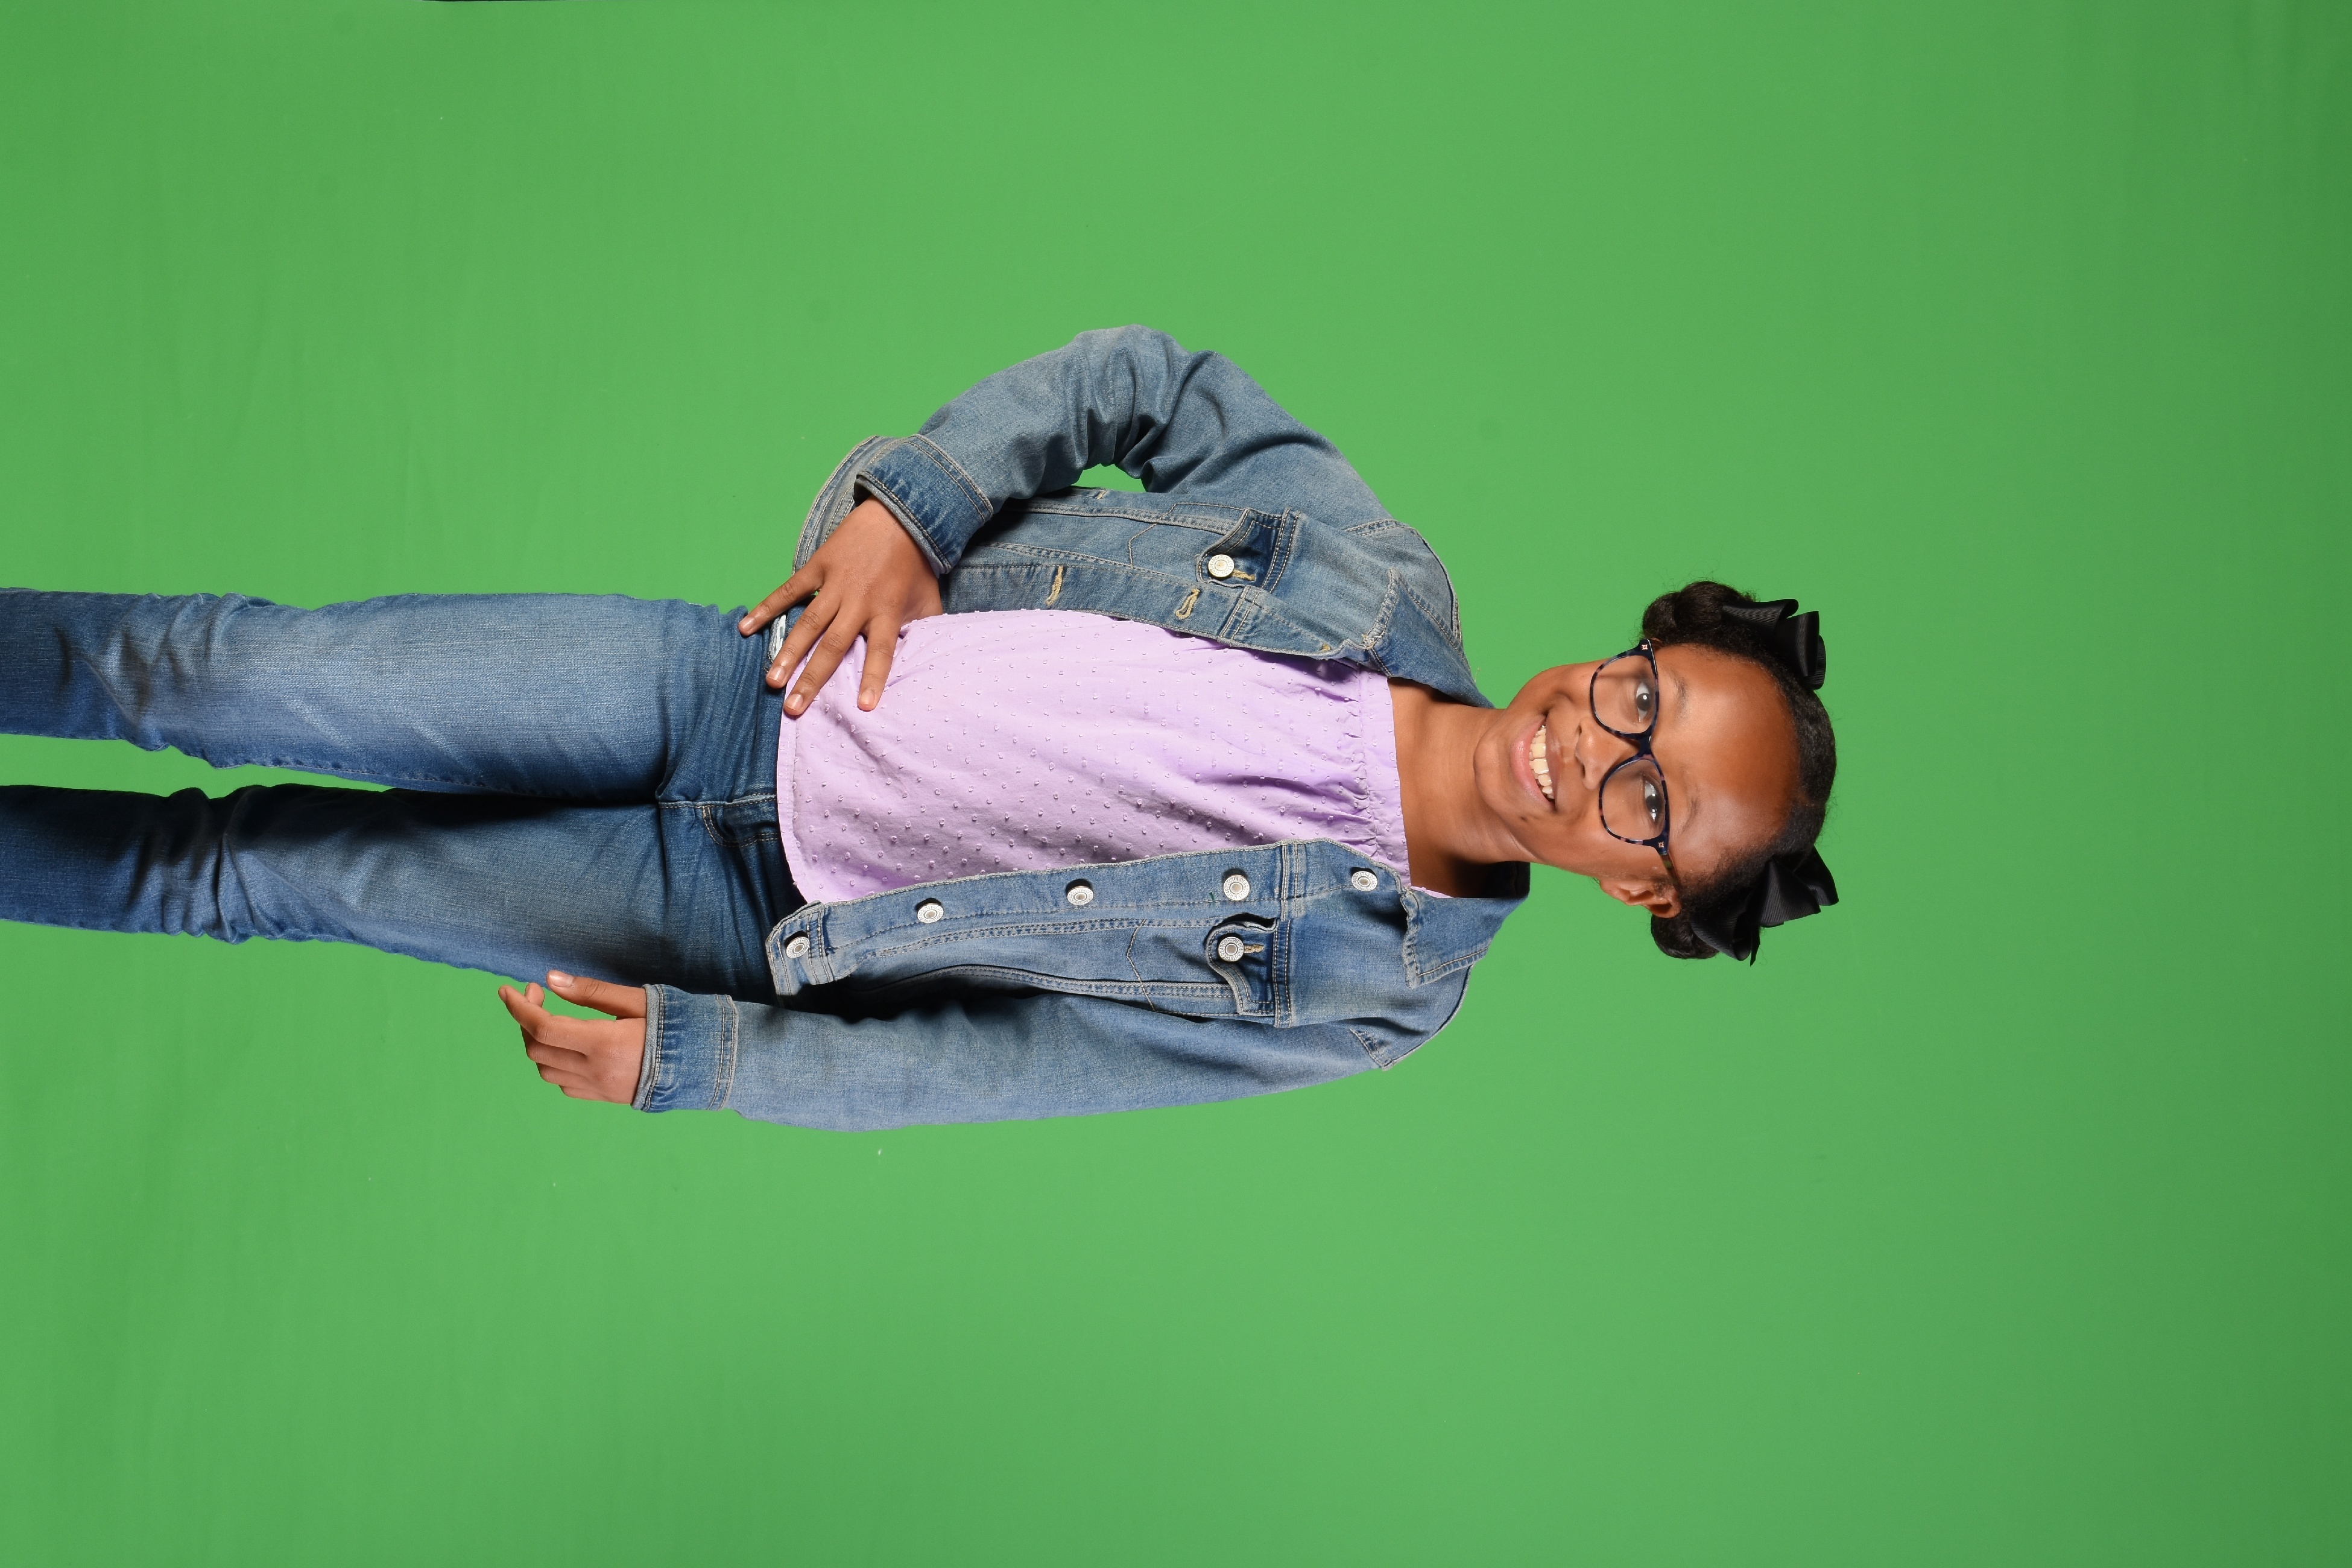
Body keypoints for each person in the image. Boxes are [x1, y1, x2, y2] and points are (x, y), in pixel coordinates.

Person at [0, 327, 1838, 1131]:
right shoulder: (1370, 575)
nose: (1592, 749)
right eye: (1640, 698)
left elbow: (1016, 1066)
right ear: (1633, 649)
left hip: (737, 918)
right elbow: (1148, 380)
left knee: (243, 874)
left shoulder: (1373, 996)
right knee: (216, 669)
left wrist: (715, 1066)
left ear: (1644, 895)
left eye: (1649, 803)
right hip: (733, 683)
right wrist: (916, 508)